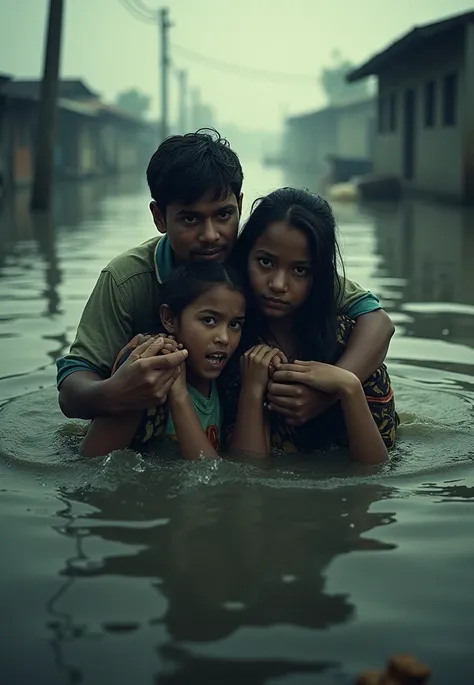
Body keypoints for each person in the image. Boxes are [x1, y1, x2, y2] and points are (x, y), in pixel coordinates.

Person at [56, 130, 394, 428]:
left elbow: (377, 321)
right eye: (190, 219)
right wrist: (113, 393)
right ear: (160, 217)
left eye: (223, 215)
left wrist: (332, 391)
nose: (211, 235)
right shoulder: (127, 279)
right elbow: (73, 388)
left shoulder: (260, 262)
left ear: (240, 205)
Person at [224, 187, 398, 465]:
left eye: (300, 270)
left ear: (319, 276)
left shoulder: (348, 343)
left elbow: (376, 472)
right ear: (244, 258)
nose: (278, 284)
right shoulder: (228, 345)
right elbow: (247, 477)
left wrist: (346, 387)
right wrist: (254, 390)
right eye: (265, 262)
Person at [82, 262, 246, 459]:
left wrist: (179, 394)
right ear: (169, 318)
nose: (224, 338)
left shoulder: (228, 382)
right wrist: (176, 393)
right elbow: (89, 464)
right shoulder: (144, 383)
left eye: (235, 324)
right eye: (209, 320)